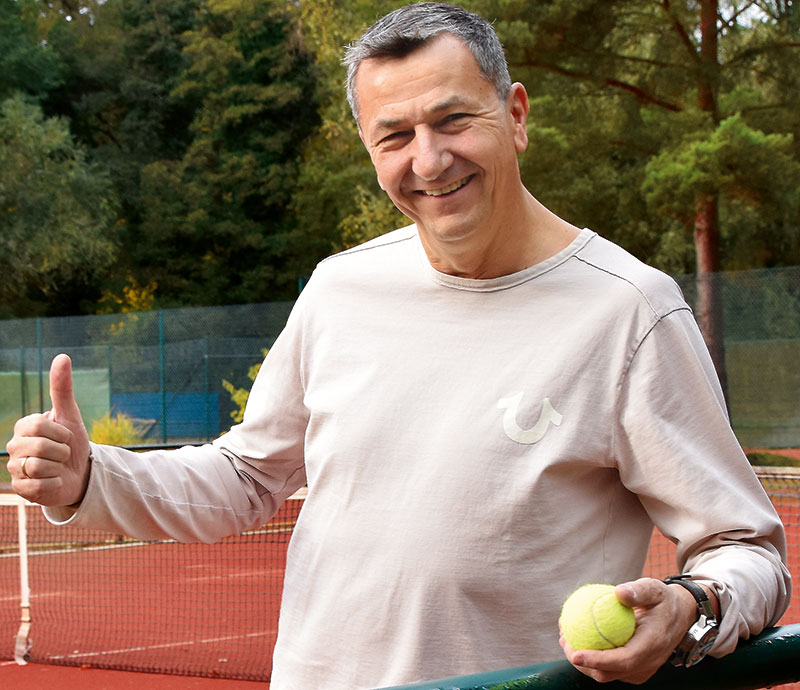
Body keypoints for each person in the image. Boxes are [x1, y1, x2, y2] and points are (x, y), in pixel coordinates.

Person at [6, 3, 790, 689]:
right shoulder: (340, 288)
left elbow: (746, 551)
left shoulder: (632, 312)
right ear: (368, 148)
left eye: (453, 120)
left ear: (514, 114)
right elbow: (246, 475)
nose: (428, 159)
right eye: (395, 136)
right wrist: (91, 477)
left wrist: (695, 606)